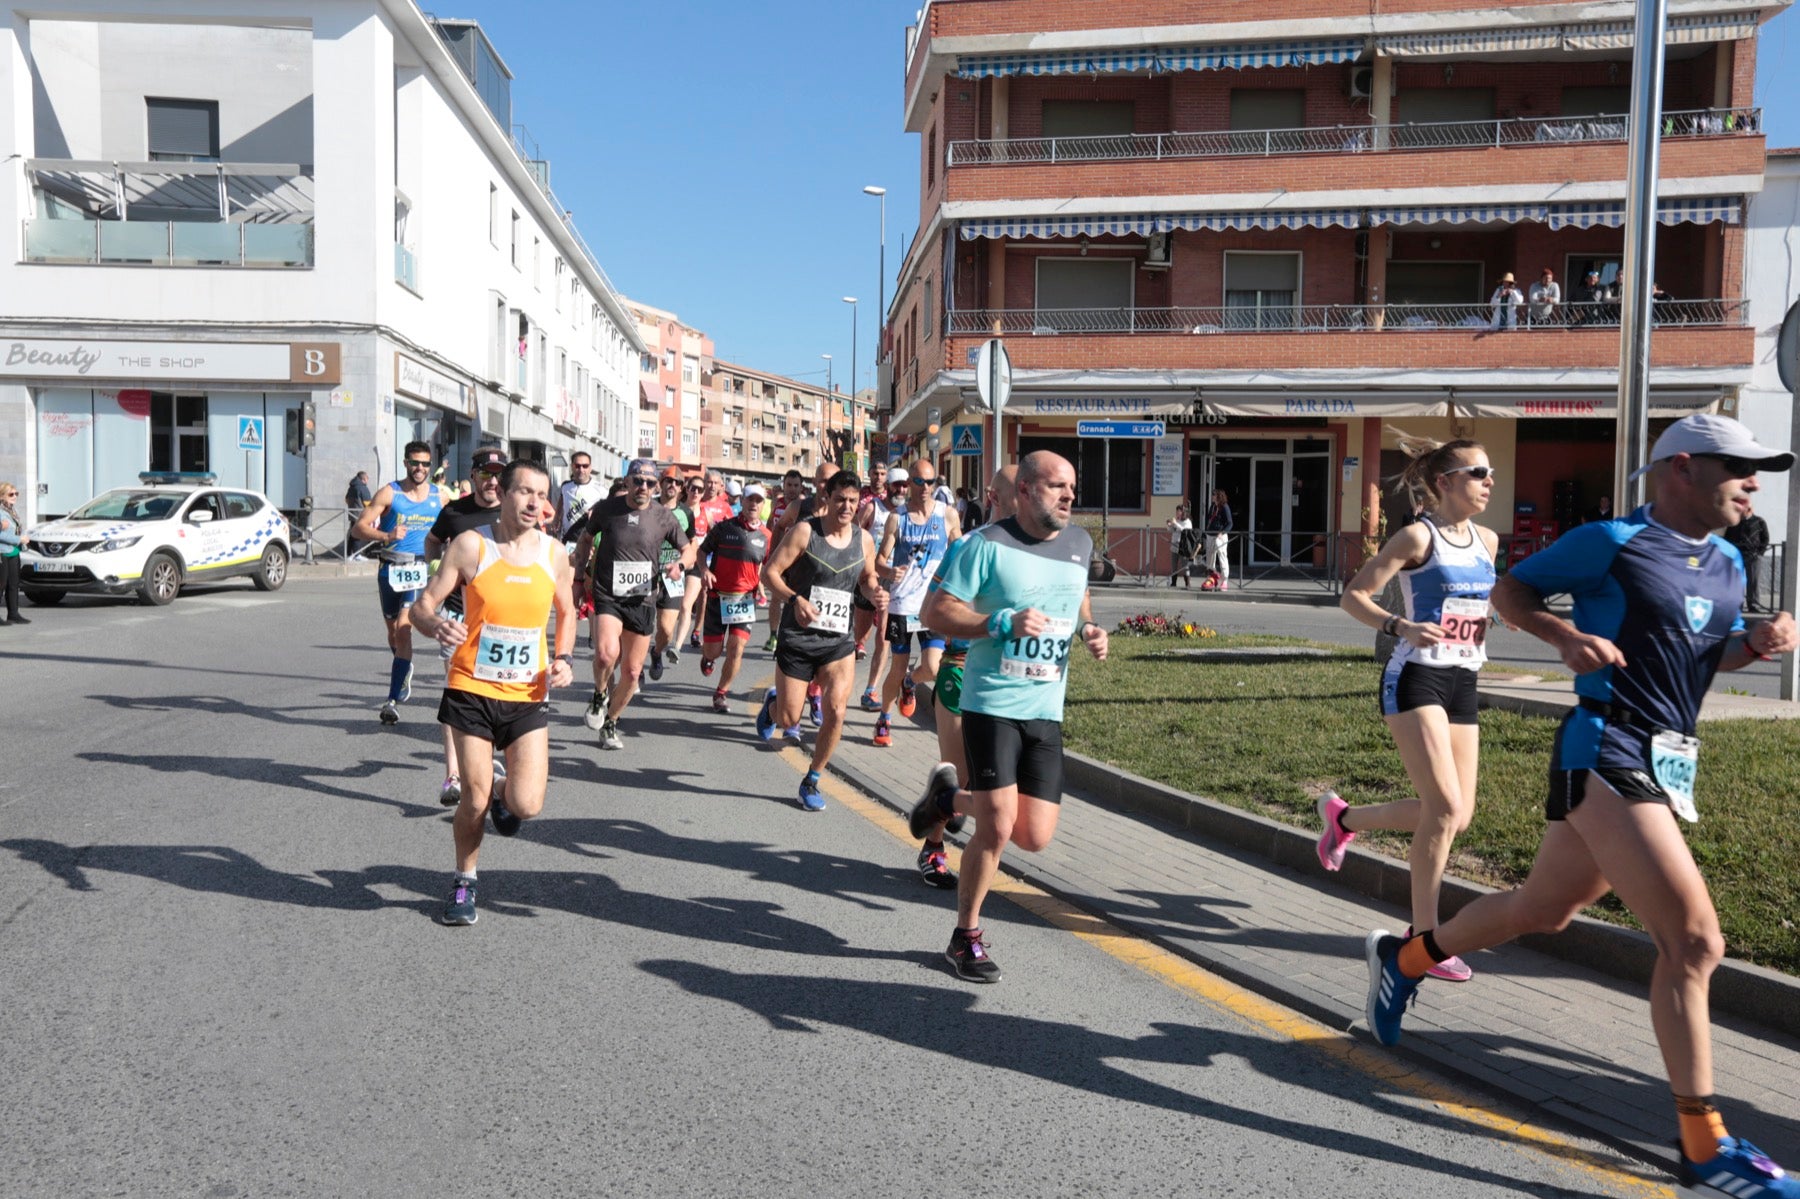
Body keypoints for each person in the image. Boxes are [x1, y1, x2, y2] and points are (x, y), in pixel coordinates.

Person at [1361, 413, 1800, 1199]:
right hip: (1606, 745)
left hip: (1670, 756)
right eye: (1739, 467)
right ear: (1682, 469)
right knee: (1694, 940)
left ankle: (1405, 959)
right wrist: (1563, 636)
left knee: (1542, 909)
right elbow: (1512, 589)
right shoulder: (1612, 541)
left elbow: (1710, 649)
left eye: (1758, 470)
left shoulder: (1730, 559)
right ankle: (1704, 1144)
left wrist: (1756, 644)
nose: (1753, 483)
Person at [907, 451, 1107, 982]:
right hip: (992, 703)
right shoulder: (983, 545)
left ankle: (946, 800)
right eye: (1057, 486)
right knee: (995, 827)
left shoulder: (1079, 543)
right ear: (1024, 490)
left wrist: (1088, 628)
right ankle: (965, 936)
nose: (1069, 496)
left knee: (1033, 836)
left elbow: (1078, 595)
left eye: (1072, 487)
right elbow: (934, 611)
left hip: (1046, 709)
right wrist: (998, 622)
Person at [1321, 433, 1500, 984]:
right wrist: (1400, 625)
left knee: (1457, 815)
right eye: (1478, 473)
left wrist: (1500, 615)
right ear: (1445, 482)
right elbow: (1354, 595)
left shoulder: (1488, 540)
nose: (1489, 482)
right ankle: (1424, 940)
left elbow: (1476, 603)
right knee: (1442, 809)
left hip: (1463, 680)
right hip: (1415, 676)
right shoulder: (1418, 536)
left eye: (1490, 472)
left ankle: (1344, 819)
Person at [410, 459, 578, 927]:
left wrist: (564, 658)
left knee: (527, 804)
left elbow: (567, 611)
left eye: (541, 495)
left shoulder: (554, 554)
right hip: (471, 688)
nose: (534, 503)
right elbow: (424, 605)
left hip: (527, 693)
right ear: (502, 494)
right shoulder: (471, 546)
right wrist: (434, 624)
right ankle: (465, 880)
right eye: (524, 492)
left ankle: (504, 791)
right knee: (474, 798)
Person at [911, 464, 1019, 888]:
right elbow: (930, 610)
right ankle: (933, 847)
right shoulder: (967, 546)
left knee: (1000, 784)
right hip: (960, 668)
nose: (1033, 502)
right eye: (1022, 493)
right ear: (994, 498)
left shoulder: (1038, 555)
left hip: (1010, 678)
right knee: (960, 772)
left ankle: (978, 848)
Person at [758, 471, 880, 809]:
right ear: (827, 498)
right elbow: (769, 573)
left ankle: (812, 779)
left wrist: (875, 591)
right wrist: (795, 599)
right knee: (788, 719)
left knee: (837, 711)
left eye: (853, 501)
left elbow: (867, 577)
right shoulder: (805, 532)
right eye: (840, 499)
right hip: (798, 637)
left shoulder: (864, 540)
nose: (846, 507)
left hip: (837, 641)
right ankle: (773, 706)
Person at [572, 458, 694, 750]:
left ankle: (611, 721)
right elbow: (585, 540)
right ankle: (600, 694)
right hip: (608, 594)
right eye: (638, 481)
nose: (643, 487)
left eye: (650, 483)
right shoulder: (607, 509)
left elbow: (689, 550)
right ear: (627, 481)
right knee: (606, 655)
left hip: (642, 598)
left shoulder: (664, 517)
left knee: (632, 672)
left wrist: (679, 565)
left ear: (656, 487)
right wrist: (578, 578)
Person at [422, 447, 507, 807]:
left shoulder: (513, 513)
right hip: (458, 616)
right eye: (485, 474)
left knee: (495, 694)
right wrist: (436, 570)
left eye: (498, 475)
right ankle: (453, 774)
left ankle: (487, 760)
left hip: (501, 623)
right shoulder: (454, 512)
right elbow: (431, 541)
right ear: (473, 476)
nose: (492, 481)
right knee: (456, 692)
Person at [351, 442, 444, 724]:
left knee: (404, 628)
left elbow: (453, 527)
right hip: (389, 568)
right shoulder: (390, 493)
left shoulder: (440, 496)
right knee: (393, 633)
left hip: (419, 568)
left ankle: (391, 700)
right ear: (406, 463)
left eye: (425, 464)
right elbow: (358, 528)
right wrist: (386, 536)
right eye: (415, 463)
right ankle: (404, 666)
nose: (420, 469)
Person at [872, 459, 962, 748]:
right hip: (902, 606)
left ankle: (911, 683)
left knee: (933, 668)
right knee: (896, 668)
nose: (924, 487)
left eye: (929, 481)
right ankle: (884, 718)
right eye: (919, 481)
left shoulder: (948, 515)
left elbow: (961, 555)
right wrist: (889, 572)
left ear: (935, 483)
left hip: (932, 606)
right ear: (910, 483)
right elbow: (879, 561)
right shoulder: (897, 518)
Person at [695, 483, 772, 713]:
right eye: (750, 499)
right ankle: (708, 658)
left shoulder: (767, 536)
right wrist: (705, 570)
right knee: (713, 650)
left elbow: (770, 566)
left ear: (762, 505)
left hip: (744, 601)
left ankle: (721, 693)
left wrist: (766, 585)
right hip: (718, 596)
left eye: (758, 501)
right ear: (743, 501)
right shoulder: (724, 528)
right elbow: (702, 551)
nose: (753, 504)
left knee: (737, 648)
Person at [855, 467, 908, 711]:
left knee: (884, 635)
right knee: (859, 637)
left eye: (904, 486)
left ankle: (870, 689)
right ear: (888, 487)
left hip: (892, 581)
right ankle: (832, 678)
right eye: (897, 485)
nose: (901, 490)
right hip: (868, 578)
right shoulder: (873, 508)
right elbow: (852, 536)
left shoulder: (908, 515)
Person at [648, 470, 695, 676]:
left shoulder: (686, 513)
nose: (672, 485)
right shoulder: (648, 506)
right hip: (646, 574)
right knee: (641, 627)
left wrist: (684, 564)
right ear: (660, 483)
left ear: (681, 487)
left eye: (677, 482)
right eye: (669, 480)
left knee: (666, 631)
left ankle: (656, 652)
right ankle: (634, 668)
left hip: (672, 577)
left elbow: (691, 543)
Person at [1724, 499, 1770, 612]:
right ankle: (1737, 605)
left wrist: (1760, 553)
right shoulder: (1735, 522)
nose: (1740, 511)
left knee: (1753, 581)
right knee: (1737, 581)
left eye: (1743, 509)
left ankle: (1753, 605)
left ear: (1749, 510)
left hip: (1753, 557)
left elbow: (1765, 538)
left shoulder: (1759, 521)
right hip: (1737, 557)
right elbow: (1727, 538)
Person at [556, 452, 606, 547]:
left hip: (588, 540)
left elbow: (609, 507)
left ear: (590, 468)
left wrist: (596, 510)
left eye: (585, 466)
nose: (581, 469)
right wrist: (556, 518)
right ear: (572, 466)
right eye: (577, 466)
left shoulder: (600, 489)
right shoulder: (565, 486)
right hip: (568, 538)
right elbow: (561, 500)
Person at [0, 481, 27, 626]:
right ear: (2, 496)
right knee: (1, 585)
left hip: (13, 552)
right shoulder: (1, 512)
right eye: (11, 494)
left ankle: (13, 614)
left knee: (14, 584)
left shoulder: (12, 510)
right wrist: (19, 539)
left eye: (16, 493)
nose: (15, 496)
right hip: (2, 552)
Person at [1201, 489, 1233, 591]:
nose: (1212, 496)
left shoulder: (1224, 507)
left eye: (1214, 495)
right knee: (1210, 558)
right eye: (1212, 495)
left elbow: (1230, 523)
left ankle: (1224, 581)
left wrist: (1222, 533)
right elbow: (1209, 519)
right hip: (1210, 535)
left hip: (1220, 536)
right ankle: (1212, 578)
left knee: (1222, 557)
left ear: (1219, 496)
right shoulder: (1213, 507)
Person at [1166, 502, 1196, 588]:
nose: (1177, 513)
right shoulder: (1177, 520)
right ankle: (1173, 582)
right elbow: (1171, 530)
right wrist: (1169, 525)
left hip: (1183, 546)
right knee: (1174, 565)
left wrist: (1175, 523)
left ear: (1183, 512)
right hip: (1174, 544)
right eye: (1176, 512)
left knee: (1185, 565)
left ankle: (1187, 583)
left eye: (1178, 511)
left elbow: (1184, 530)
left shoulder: (1188, 522)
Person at [344, 471, 374, 555]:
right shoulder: (363, 488)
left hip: (352, 514)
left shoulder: (351, 488)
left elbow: (346, 500)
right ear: (363, 479)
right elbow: (367, 503)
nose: (367, 481)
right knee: (358, 533)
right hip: (360, 514)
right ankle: (356, 554)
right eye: (367, 479)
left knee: (352, 534)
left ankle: (349, 554)